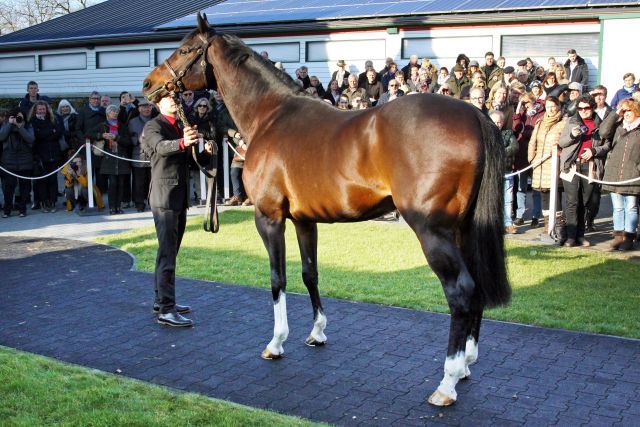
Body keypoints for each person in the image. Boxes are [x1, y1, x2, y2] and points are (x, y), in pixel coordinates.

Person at [141, 94, 213, 327]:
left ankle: (160, 301)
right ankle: (167, 309)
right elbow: (161, 148)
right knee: (167, 254)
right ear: (158, 105)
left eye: (176, 98)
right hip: (164, 198)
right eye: (168, 99)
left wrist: (204, 152)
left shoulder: (180, 126)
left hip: (178, 197)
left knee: (168, 252)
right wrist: (183, 141)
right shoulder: (153, 126)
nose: (174, 101)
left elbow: (190, 160)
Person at [558, 95, 608, 247]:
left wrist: (594, 151)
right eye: (580, 108)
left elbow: (607, 145)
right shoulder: (571, 121)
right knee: (572, 202)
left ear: (592, 108)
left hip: (590, 166)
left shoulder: (600, 123)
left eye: (586, 108)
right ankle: (571, 236)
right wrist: (573, 135)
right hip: (572, 165)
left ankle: (580, 235)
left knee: (584, 202)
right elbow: (562, 142)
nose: (583, 111)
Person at [599, 99, 640, 251]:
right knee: (617, 208)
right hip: (615, 173)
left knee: (631, 207)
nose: (627, 114)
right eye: (624, 111)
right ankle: (618, 237)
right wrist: (616, 113)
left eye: (629, 111)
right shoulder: (618, 127)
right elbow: (603, 131)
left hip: (633, 175)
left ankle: (629, 237)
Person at [528, 96, 567, 234]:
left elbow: (566, 142)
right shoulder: (540, 122)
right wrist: (532, 159)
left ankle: (558, 225)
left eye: (553, 106)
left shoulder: (564, 122)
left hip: (554, 163)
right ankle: (546, 225)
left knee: (554, 194)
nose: (550, 109)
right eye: (548, 106)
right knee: (543, 193)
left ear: (558, 106)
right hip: (540, 163)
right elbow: (533, 141)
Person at [512, 93, 544, 227]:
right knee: (521, 187)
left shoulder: (541, 113)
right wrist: (518, 112)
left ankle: (536, 216)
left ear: (533, 101)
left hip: (536, 155)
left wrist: (524, 133)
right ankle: (520, 215)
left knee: (536, 188)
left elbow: (538, 132)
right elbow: (515, 128)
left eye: (526, 103)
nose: (525, 106)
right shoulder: (522, 114)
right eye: (522, 103)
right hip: (522, 156)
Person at [96, 105, 131, 214]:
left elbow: (128, 142)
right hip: (109, 157)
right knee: (112, 184)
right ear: (107, 113)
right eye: (112, 111)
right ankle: (111, 207)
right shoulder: (102, 125)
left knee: (121, 184)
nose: (115, 113)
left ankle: (118, 207)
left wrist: (116, 138)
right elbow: (89, 134)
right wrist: (101, 135)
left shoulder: (123, 126)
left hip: (121, 157)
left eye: (116, 111)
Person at [30, 100, 64, 213]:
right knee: (42, 180)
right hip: (40, 156)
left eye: (43, 109)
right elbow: (37, 135)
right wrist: (50, 133)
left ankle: (53, 201)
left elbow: (58, 132)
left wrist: (45, 134)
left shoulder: (53, 119)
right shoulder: (32, 121)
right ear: (35, 110)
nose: (42, 111)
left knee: (53, 179)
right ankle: (44, 201)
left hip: (54, 154)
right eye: (39, 109)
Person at [1, 109, 34, 218]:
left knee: (24, 187)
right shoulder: (6, 125)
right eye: (15, 117)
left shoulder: (28, 126)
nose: (17, 119)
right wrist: (9, 125)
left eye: (20, 117)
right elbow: (1, 137)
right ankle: (7, 209)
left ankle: (22, 209)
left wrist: (20, 127)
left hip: (25, 161)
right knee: (8, 187)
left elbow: (30, 139)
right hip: (9, 161)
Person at [490, 110, 519, 234]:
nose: (497, 124)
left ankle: (507, 223)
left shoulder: (508, 134)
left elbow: (514, 147)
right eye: (494, 122)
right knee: (493, 199)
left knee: (507, 199)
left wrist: (500, 152)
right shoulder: (486, 134)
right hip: (491, 172)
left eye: (499, 122)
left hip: (506, 171)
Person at [76, 91, 107, 195]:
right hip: (87, 145)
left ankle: (100, 196)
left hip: (100, 145)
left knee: (100, 173)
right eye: (93, 98)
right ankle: (87, 195)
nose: (96, 100)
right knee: (88, 172)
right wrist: (83, 141)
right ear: (89, 99)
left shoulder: (103, 111)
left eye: (98, 98)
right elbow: (78, 128)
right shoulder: (83, 111)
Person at [128, 99, 155, 212]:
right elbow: (130, 137)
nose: (146, 109)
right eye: (143, 107)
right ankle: (139, 203)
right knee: (139, 182)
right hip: (138, 155)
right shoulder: (132, 122)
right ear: (139, 109)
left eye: (148, 106)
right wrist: (139, 140)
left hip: (153, 155)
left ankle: (152, 202)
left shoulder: (156, 120)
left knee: (152, 181)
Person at [189, 97, 217, 205]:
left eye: (204, 106)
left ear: (207, 107)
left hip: (207, 150)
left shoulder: (211, 118)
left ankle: (210, 196)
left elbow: (214, 135)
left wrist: (202, 134)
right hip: (194, 149)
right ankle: (201, 196)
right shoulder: (191, 118)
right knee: (196, 172)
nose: (202, 108)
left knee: (208, 172)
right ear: (196, 107)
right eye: (200, 105)